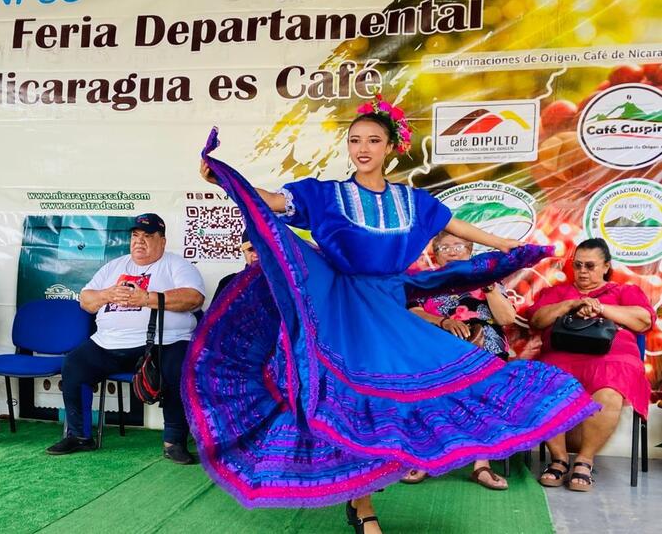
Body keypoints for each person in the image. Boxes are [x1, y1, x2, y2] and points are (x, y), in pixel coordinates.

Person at [188, 94, 596, 533]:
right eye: (355, 140)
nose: (362, 148)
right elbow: (269, 200)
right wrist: (225, 181)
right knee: (347, 404)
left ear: (390, 148)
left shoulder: (411, 200)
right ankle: (364, 510)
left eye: (373, 140)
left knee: (431, 387)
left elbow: (450, 224)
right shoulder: (327, 195)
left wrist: (501, 244)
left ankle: (386, 484)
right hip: (339, 306)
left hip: (387, 308)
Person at [46, 213, 205, 464]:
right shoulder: (114, 266)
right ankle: (79, 436)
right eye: (135, 236)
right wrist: (106, 295)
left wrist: (147, 299)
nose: (139, 242)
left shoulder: (177, 265)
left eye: (148, 236)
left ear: (162, 241)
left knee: (179, 368)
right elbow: (86, 301)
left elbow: (194, 298)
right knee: (74, 364)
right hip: (109, 343)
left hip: (164, 342)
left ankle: (174, 442)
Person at [528, 238, 654, 492]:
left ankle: (584, 461)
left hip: (613, 356)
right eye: (578, 265)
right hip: (562, 354)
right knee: (545, 383)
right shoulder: (557, 292)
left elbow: (643, 321)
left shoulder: (624, 291)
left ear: (606, 266)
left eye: (590, 266)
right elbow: (538, 320)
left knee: (609, 390)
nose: (583, 271)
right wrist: (572, 304)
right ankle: (559, 459)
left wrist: (600, 308)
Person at [402, 231, 517, 490]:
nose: (453, 251)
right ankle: (425, 460)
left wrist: (486, 285)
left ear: (470, 250)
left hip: (485, 346)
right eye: (445, 247)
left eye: (459, 246)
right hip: (437, 345)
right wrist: (444, 321)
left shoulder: (490, 280)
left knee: (485, 389)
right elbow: (413, 313)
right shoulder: (426, 281)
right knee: (426, 388)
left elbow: (507, 319)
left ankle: (482, 465)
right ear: (436, 253)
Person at [213, 229, 258, 300]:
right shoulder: (228, 282)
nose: (256, 254)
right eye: (250, 249)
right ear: (244, 251)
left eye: (260, 250)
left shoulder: (280, 281)